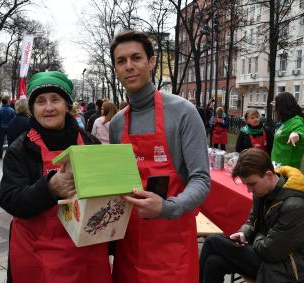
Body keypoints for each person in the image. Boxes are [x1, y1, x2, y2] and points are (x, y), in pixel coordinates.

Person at [108, 30, 210, 283]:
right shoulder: (117, 123)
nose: (129, 66)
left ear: (151, 62)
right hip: (128, 249)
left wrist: (167, 207)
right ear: (115, 68)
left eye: (136, 58)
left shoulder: (183, 112)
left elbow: (201, 180)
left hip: (171, 250)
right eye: (121, 61)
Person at [0, 71, 112, 283]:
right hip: (37, 256)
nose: (48, 107)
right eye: (40, 101)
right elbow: (9, 199)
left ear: (67, 106)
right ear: (32, 109)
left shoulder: (90, 143)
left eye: (55, 100)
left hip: (86, 255)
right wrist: (49, 188)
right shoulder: (21, 149)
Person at [199, 148, 304, 283]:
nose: (249, 190)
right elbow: (252, 221)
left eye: (251, 184)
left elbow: (271, 252)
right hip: (267, 254)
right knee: (213, 262)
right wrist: (244, 233)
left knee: (213, 241)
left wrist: (256, 235)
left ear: (268, 174)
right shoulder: (262, 191)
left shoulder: (296, 206)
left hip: (288, 269)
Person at [271, 92, 304, 169]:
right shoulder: (286, 120)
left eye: (276, 104)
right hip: (277, 165)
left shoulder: (297, 121)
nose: (274, 108)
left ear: (282, 106)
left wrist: (298, 135)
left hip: (288, 169)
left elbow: (303, 134)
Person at [0, 95, 16, 159]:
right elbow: (13, 120)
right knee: (10, 141)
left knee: (1, 142)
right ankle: (10, 156)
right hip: (9, 127)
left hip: (2, 127)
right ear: (8, 102)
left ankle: (0, 155)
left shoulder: (0, 110)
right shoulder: (12, 110)